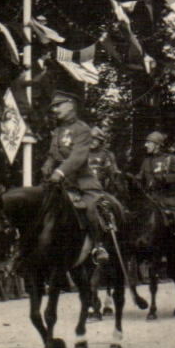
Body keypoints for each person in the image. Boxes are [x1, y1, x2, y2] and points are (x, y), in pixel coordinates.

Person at [42, 87, 114, 264]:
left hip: (82, 183)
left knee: (90, 208)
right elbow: (52, 154)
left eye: (58, 105)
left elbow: (78, 156)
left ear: (71, 105)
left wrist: (60, 171)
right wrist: (47, 166)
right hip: (60, 183)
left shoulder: (82, 129)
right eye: (53, 106)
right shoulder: (58, 131)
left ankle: (98, 246)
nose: (54, 110)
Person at [138, 130, 175, 264]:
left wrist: (165, 178)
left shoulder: (170, 159)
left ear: (157, 145)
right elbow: (140, 178)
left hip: (168, 198)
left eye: (149, 143)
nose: (146, 145)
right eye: (146, 143)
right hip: (151, 198)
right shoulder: (146, 161)